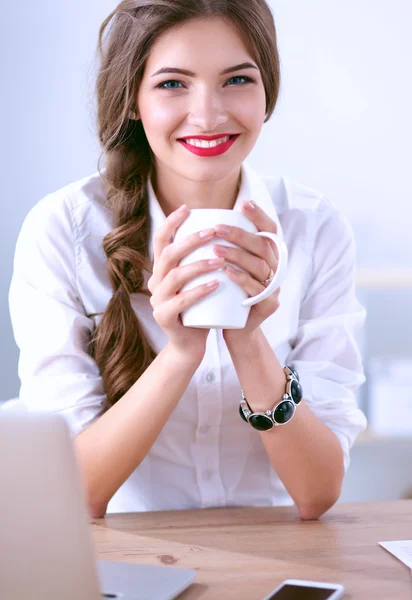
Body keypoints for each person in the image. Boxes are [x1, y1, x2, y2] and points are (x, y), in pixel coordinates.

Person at [9, 0, 367, 520]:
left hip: (278, 552)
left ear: (267, 89)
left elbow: (317, 492)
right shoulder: (65, 229)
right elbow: (74, 493)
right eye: (173, 84)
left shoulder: (314, 226)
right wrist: (180, 353)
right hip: (129, 559)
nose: (208, 114)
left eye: (237, 80)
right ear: (132, 99)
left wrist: (247, 338)